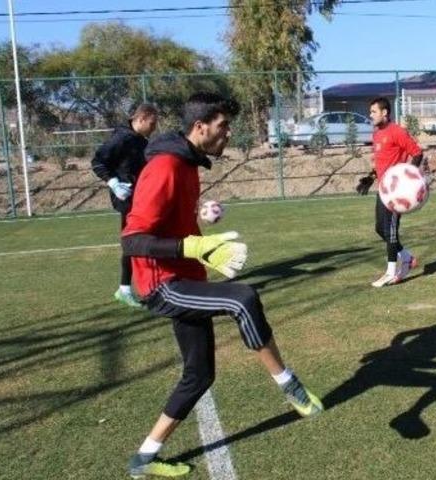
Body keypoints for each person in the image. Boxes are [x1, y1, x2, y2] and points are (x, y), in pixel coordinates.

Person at [120, 92, 323, 477]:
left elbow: (170, 216)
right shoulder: (164, 166)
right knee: (242, 298)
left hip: (185, 277)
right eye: (223, 125)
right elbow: (132, 240)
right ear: (200, 127)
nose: (228, 133)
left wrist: (198, 217)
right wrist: (194, 244)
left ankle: (144, 457)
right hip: (163, 283)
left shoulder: (186, 164)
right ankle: (289, 385)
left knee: (200, 375)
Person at [92, 103, 159, 308]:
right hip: (127, 199)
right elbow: (98, 161)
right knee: (135, 242)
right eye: (152, 122)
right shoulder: (122, 138)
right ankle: (129, 289)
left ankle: (140, 287)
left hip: (140, 198)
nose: (154, 127)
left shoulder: (139, 140)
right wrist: (113, 183)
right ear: (140, 119)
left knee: (146, 240)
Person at [356, 97, 424, 287]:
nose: (370, 115)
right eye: (370, 112)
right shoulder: (377, 134)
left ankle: (390, 271)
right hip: (382, 189)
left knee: (391, 230)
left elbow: (417, 153)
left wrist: (409, 177)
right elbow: (381, 163)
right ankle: (408, 258)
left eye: (373, 112)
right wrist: (370, 178)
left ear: (385, 113)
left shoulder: (397, 131)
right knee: (380, 229)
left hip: (396, 193)